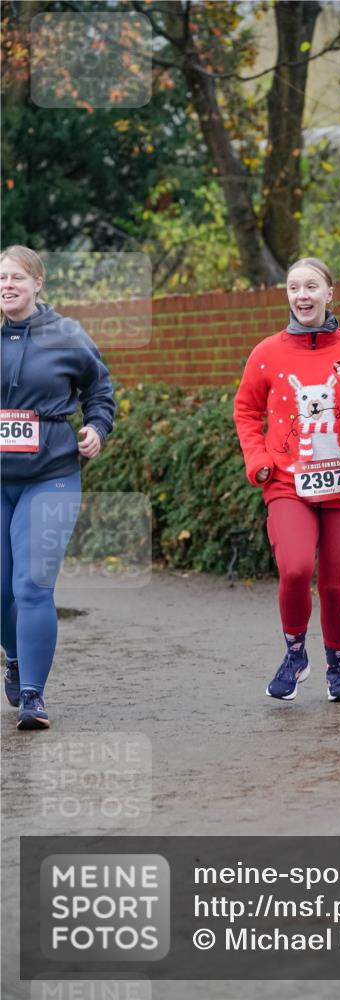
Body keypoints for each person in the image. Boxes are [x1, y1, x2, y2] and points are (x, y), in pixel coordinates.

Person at [234, 257, 340, 702]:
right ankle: (295, 653)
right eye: (293, 288)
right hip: (287, 484)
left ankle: (337, 667)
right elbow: (246, 410)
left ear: (329, 294)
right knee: (296, 568)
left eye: (311, 287)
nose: (302, 296)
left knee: (334, 585)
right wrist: (257, 457)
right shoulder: (267, 353)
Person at [1, 246, 115, 729]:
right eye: (1, 279)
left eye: (17, 278)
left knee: (31, 583)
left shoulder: (66, 334)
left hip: (52, 473)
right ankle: (15, 657)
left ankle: (33, 696)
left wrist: (97, 427)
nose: (7, 286)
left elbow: (99, 391)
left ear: (38, 283)